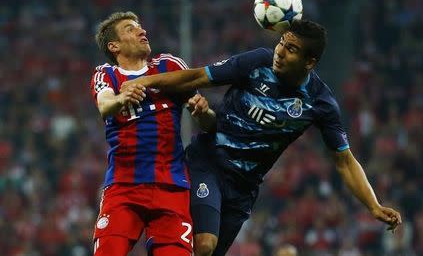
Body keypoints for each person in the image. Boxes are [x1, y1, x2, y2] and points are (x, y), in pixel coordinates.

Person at [121, 19, 402, 256]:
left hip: (243, 189)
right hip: (208, 163)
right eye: (281, 43)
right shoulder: (256, 62)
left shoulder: (320, 102)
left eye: (291, 50)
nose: (280, 52)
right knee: (204, 245)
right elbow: (195, 77)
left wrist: (373, 205)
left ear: (309, 61)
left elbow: (344, 161)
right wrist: (143, 82)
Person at [89, 11, 215, 256]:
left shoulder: (170, 65)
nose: (141, 31)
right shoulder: (106, 74)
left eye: (140, 27)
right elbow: (105, 106)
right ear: (114, 46)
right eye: (130, 29)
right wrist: (121, 98)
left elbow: (210, 124)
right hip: (124, 187)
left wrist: (203, 112)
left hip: (172, 187)